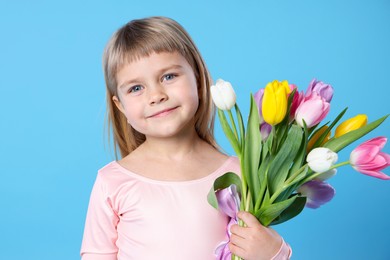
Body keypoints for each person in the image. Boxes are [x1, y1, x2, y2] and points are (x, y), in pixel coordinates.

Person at [80, 16, 291, 260]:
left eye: (168, 76)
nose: (156, 95)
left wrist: (276, 253)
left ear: (198, 78)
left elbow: (255, 248)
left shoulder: (240, 174)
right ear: (121, 107)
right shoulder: (112, 182)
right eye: (136, 88)